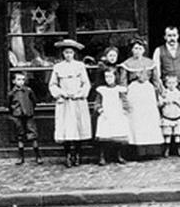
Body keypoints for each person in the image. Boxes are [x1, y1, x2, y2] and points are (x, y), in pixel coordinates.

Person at [152, 26, 180, 152]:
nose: (172, 38)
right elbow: (156, 71)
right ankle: (168, 146)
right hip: (167, 88)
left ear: (178, 36)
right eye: (169, 35)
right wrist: (161, 88)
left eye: (174, 35)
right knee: (166, 115)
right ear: (165, 37)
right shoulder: (159, 50)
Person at [49, 39, 92, 167]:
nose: (68, 55)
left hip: (77, 101)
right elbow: (52, 84)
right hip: (65, 101)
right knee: (66, 129)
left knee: (78, 128)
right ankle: (67, 155)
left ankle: (77, 155)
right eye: (66, 52)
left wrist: (79, 94)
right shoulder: (58, 67)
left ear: (74, 54)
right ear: (63, 54)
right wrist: (61, 93)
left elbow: (86, 83)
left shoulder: (80, 66)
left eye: (71, 52)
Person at [120, 38, 163, 159]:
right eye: (135, 48)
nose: (137, 51)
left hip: (148, 93)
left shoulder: (150, 63)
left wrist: (159, 95)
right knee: (136, 120)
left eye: (140, 48)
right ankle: (137, 151)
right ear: (132, 50)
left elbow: (156, 81)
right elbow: (123, 83)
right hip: (134, 92)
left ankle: (151, 150)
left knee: (149, 119)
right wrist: (124, 98)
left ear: (143, 50)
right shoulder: (126, 64)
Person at [94, 65, 130, 165]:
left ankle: (118, 155)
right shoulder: (102, 90)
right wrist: (100, 110)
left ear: (115, 77)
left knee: (117, 136)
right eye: (106, 77)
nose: (108, 79)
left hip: (117, 113)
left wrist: (125, 110)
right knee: (104, 135)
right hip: (106, 114)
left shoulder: (119, 89)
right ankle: (102, 156)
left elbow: (125, 100)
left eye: (110, 77)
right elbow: (97, 102)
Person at [7, 72, 42, 165]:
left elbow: (34, 102)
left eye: (23, 79)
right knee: (20, 136)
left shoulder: (28, 91)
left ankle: (38, 156)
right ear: (14, 81)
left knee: (33, 135)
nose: (21, 82)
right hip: (17, 116)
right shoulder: (11, 93)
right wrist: (15, 112)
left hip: (28, 115)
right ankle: (21, 157)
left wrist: (29, 110)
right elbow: (9, 105)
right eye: (19, 79)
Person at [159, 74, 180, 157]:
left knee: (177, 134)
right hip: (167, 116)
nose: (171, 85)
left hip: (176, 117)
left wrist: (177, 102)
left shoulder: (179, 93)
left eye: (173, 83)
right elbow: (159, 103)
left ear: (176, 83)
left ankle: (178, 149)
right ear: (166, 84)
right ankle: (167, 149)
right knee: (167, 134)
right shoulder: (164, 93)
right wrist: (164, 101)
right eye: (169, 83)